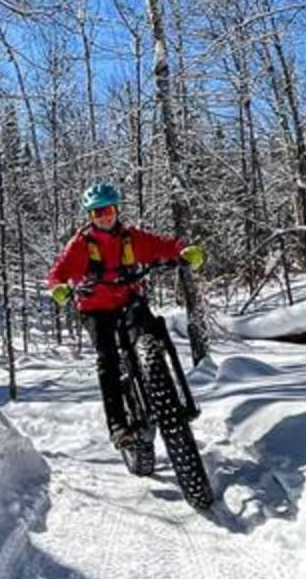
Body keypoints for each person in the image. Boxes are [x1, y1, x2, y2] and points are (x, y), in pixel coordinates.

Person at [47, 182, 204, 448]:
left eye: (107, 209)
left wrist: (183, 252)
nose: (104, 216)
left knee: (155, 334)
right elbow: (57, 273)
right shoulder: (81, 245)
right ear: (90, 216)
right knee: (107, 359)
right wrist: (59, 289)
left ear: (117, 209)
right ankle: (118, 425)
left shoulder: (131, 238)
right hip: (95, 308)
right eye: (97, 213)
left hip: (129, 300)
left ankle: (172, 394)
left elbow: (162, 246)